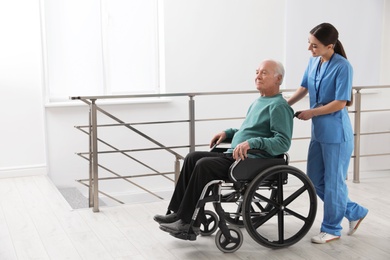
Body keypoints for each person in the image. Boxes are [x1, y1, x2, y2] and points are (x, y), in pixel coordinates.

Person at [154, 59, 294, 237]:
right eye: (257, 72)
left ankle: (187, 223)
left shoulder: (279, 107)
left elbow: (282, 142)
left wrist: (252, 143)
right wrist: (227, 133)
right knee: (192, 157)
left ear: (278, 78)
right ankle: (176, 212)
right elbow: (248, 131)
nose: (258, 76)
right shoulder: (259, 102)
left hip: (252, 161)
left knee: (203, 164)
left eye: (264, 73)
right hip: (237, 155)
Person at [287, 23, 368, 244]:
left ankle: (332, 228)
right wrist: (286, 104)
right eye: (309, 43)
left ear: (329, 46)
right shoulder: (313, 62)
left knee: (334, 183)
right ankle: (354, 211)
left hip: (336, 134)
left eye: (314, 45)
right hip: (319, 133)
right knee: (313, 180)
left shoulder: (344, 67)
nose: (309, 49)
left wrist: (311, 112)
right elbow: (304, 87)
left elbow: (340, 103)